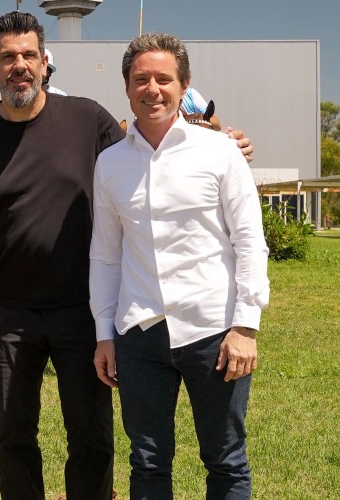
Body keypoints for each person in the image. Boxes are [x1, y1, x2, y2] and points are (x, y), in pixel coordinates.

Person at [0, 12, 254, 500]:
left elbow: (149, 152)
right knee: (12, 435)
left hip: (80, 310)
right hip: (7, 311)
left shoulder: (89, 119)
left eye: (29, 55)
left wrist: (215, 137)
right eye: (8, 57)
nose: (19, 66)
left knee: (92, 436)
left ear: (46, 62)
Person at [90, 32, 269, 499]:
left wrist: (246, 326)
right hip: (139, 334)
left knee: (225, 460)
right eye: (141, 79)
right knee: (147, 463)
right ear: (127, 87)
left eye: (164, 79)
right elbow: (106, 254)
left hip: (215, 332)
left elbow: (250, 240)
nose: (153, 89)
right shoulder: (110, 164)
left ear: (184, 84)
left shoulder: (220, 152)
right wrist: (104, 334)